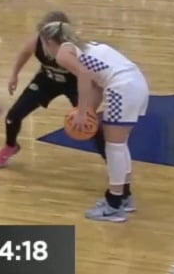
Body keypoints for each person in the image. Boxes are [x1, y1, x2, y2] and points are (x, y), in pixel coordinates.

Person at [39, 18, 150, 222]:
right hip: (135, 84)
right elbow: (97, 84)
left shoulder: (63, 53)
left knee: (114, 147)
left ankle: (114, 205)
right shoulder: (85, 46)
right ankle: (124, 197)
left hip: (121, 88)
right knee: (119, 145)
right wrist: (89, 110)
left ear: (48, 41)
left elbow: (85, 76)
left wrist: (82, 112)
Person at [0, 11, 106, 168]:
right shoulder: (36, 41)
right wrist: (14, 75)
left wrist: (84, 109)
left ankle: (109, 158)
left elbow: (89, 78)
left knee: (89, 122)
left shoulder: (74, 48)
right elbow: (25, 52)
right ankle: (10, 145)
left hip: (74, 84)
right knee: (13, 116)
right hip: (47, 81)